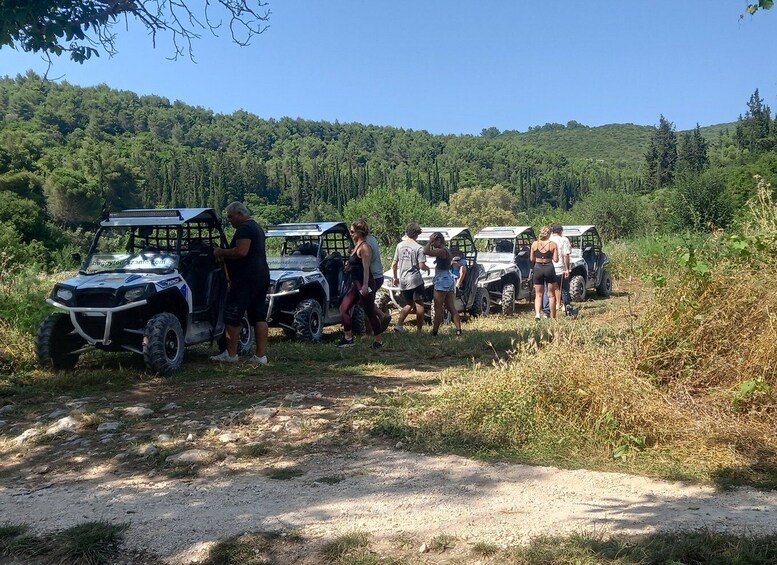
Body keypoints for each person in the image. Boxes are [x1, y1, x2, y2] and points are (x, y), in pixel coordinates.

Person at [210, 201, 270, 364]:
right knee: (259, 316)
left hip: (245, 279)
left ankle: (231, 354)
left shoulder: (244, 228)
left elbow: (241, 251)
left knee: (232, 315)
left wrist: (220, 251)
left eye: (231, 217)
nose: (230, 220)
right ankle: (260, 356)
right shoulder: (256, 227)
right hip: (261, 276)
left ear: (240, 214)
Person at [337, 219, 385, 348]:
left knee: (369, 312)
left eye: (352, 231)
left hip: (365, 283)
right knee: (344, 308)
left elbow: (366, 268)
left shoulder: (364, 247)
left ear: (359, 232)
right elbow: (355, 263)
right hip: (355, 283)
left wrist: (365, 285)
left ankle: (379, 340)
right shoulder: (356, 245)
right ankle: (348, 338)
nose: (351, 234)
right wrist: (349, 267)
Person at [423, 232, 463, 336]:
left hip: (442, 279)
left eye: (434, 241)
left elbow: (425, 251)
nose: (432, 243)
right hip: (448, 278)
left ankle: (434, 331)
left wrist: (429, 241)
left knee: (438, 307)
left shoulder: (441, 251)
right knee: (450, 306)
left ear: (438, 240)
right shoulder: (447, 250)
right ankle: (458, 330)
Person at [392, 223, 428, 333]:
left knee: (408, 304)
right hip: (415, 280)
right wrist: (427, 268)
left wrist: (395, 277)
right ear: (417, 234)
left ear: (407, 233)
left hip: (403, 279)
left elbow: (394, 263)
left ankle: (399, 324)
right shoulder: (419, 248)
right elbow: (421, 265)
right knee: (419, 304)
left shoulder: (399, 246)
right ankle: (419, 330)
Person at [365, 223, 392, 335]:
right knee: (368, 302)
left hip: (372, 276)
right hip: (378, 275)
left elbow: (366, 262)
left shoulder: (366, 243)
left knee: (367, 304)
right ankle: (372, 328)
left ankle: (372, 329)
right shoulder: (373, 239)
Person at [530, 225, 559, 320]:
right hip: (549, 268)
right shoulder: (553, 244)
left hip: (538, 268)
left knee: (538, 294)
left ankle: (537, 314)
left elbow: (531, 258)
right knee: (551, 294)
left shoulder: (534, 244)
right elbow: (556, 259)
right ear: (549, 234)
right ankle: (553, 317)